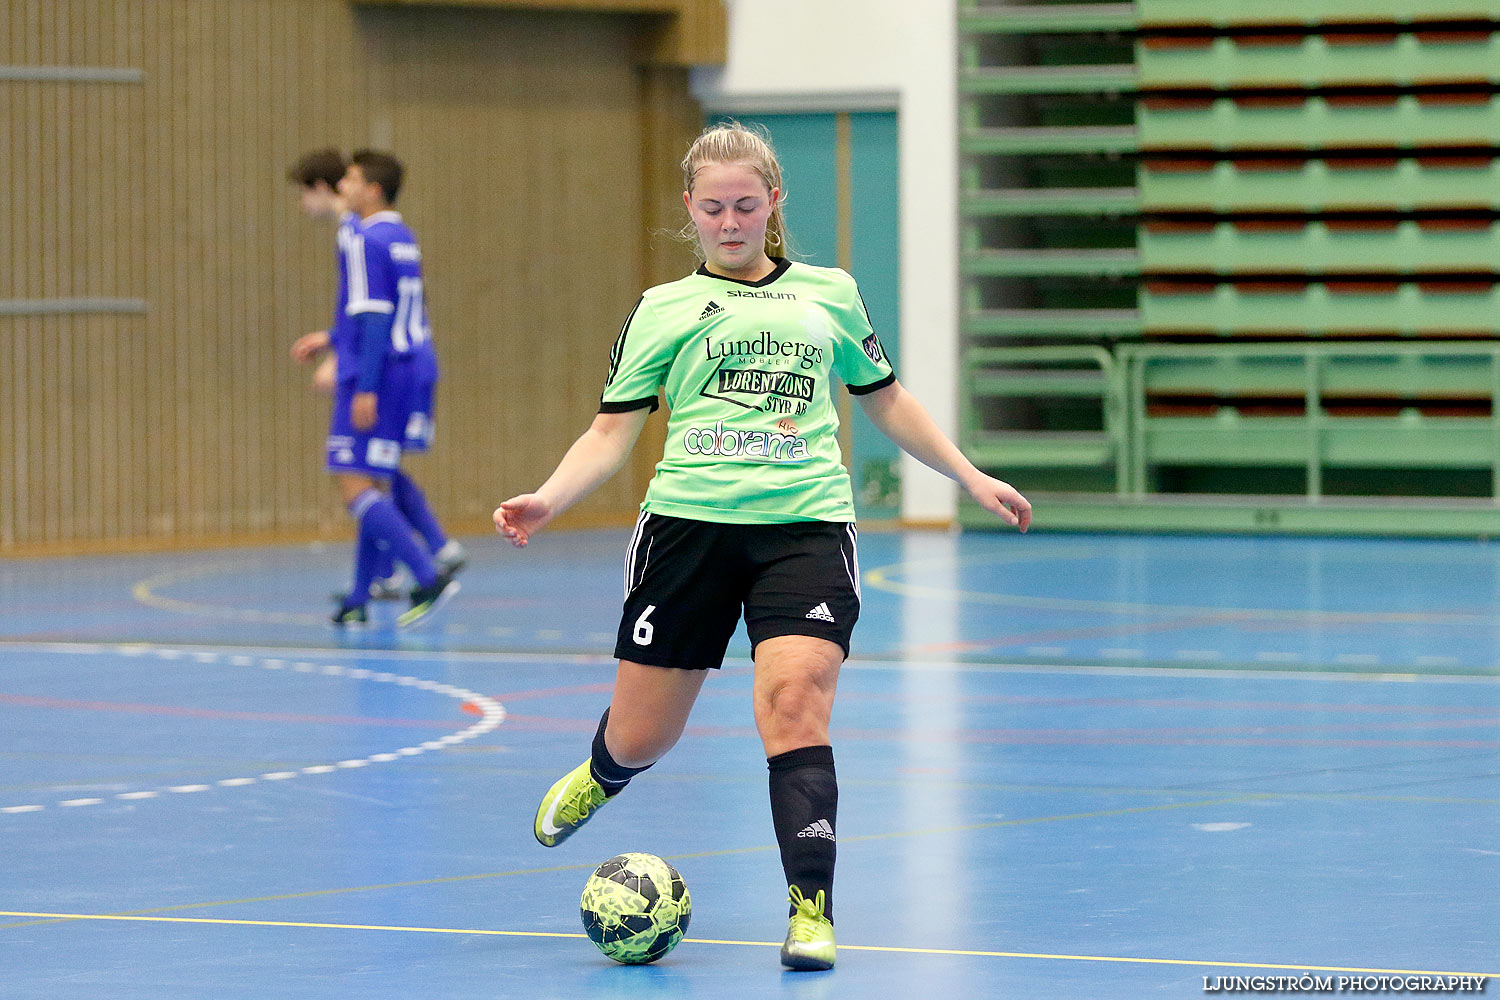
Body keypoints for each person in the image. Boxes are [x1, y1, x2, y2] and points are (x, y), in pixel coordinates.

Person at [493, 121, 1030, 971]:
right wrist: (548, 499)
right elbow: (610, 432)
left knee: (793, 702)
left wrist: (967, 475)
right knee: (644, 738)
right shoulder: (661, 309)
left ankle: (810, 910)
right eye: (714, 209)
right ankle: (605, 770)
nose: (732, 223)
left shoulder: (830, 294)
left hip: (805, 526)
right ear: (691, 211)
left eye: (747, 205)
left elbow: (886, 401)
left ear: (775, 203)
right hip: (689, 532)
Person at [290, 149, 463, 627]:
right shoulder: (400, 235)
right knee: (373, 480)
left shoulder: (363, 238)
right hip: (405, 366)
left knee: (354, 482)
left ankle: (428, 574)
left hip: (381, 371)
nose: (342, 186)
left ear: (372, 190)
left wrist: (363, 384)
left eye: (350, 179)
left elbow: (374, 315)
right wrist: (332, 337)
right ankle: (361, 595)